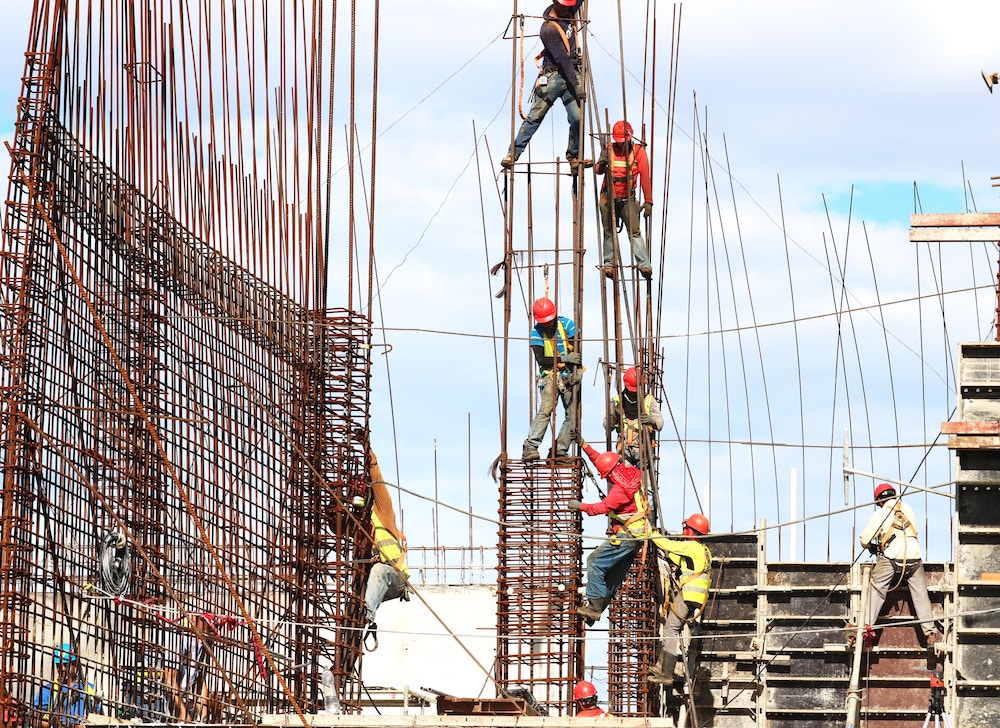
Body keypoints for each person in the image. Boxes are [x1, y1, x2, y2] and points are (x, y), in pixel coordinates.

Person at [570, 440, 653, 623]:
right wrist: (584, 445)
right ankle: (597, 608)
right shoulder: (629, 475)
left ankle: (594, 606)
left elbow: (600, 508)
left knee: (595, 562)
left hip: (627, 536)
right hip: (636, 537)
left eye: (606, 476)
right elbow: (602, 461)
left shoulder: (620, 491)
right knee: (613, 576)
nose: (606, 479)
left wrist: (579, 506)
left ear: (610, 473)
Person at [501, 0, 589, 170]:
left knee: (577, 118)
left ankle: (574, 156)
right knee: (535, 117)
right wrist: (576, 85)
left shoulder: (569, 10)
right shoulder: (548, 29)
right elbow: (562, 59)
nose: (567, 8)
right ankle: (513, 153)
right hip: (555, 76)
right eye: (564, 5)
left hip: (571, 74)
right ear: (555, 3)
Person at [857, 482, 943, 646]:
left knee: (877, 589)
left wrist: (872, 547)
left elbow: (864, 539)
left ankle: (865, 628)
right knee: (921, 595)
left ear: (879, 501)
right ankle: (930, 632)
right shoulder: (907, 509)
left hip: (891, 559)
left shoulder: (881, 513)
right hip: (914, 559)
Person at [648, 514, 713, 686]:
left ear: (691, 531)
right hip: (698, 597)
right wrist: (670, 558)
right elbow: (679, 558)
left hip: (689, 594)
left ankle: (666, 673)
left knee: (671, 629)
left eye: (686, 528)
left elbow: (669, 544)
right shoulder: (704, 550)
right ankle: (661, 665)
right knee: (673, 627)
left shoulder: (691, 546)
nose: (684, 531)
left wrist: (651, 533)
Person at [523, 297, 581, 461]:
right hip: (549, 376)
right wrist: (565, 359)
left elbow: (577, 349)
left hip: (568, 376)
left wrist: (576, 367)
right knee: (546, 411)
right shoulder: (536, 332)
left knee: (573, 415)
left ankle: (560, 451)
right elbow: (541, 360)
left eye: (548, 321)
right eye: (544, 322)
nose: (547, 324)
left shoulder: (567, 325)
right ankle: (530, 447)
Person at [594, 120, 653, 279]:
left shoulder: (638, 151)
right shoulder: (608, 149)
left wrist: (648, 201)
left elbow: (645, 177)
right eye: (619, 142)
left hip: (628, 199)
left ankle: (643, 264)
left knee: (634, 232)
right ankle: (609, 264)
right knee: (608, 232)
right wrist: (602, 163)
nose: (621, 145)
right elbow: (598, 170)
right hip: (608, 198)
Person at [362, 449, 410, 645]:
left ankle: (368, 613)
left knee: (379, 569)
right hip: (376, 583)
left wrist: (370, 459)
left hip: (396, 578)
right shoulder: (360, 526)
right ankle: (361, 616)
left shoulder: (382, 512)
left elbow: (378, 484)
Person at [604, 366, 663, 468]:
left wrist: (651, 421)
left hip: (643, 449)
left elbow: (660, 424)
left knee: (646, 482)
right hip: (624, 450)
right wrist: (615, 418)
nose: (633, 393)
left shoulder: (649, 400)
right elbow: (607, 426)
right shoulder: (616, 401)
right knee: (627, 481)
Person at [34, 643, 101, 728]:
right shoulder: (48, 689)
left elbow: (100, 718)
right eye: (59, 665)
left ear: (75, 664)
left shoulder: (88, 689)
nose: (62, 669)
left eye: (66, 665)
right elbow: (34, 719)